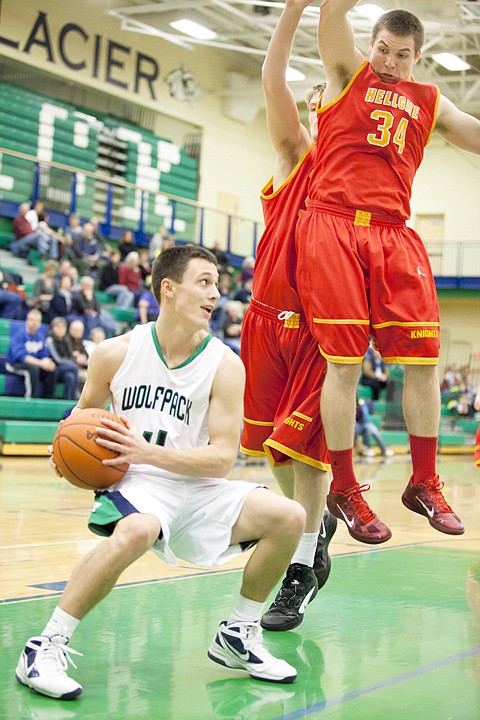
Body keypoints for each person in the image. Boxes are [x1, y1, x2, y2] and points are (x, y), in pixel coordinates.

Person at [15, 245, 306, 700]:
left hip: (197, 482)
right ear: (168, 289)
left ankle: (237, 633)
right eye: (204, 283)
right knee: (137, 529)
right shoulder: (115, 353)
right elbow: (81, 416)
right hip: (138, 482)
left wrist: (148, 452)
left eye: (218, 285)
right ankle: (44, 646)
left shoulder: (225, 365)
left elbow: (223, 457)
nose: (216, 295)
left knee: (289, 516)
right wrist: (62, 448)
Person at [294, 1, 478, 542]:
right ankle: (345, 487)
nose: (390, 62)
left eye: (402, 55)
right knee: (345, 364)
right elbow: (330, 18)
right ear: (368, 44)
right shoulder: (347, 74)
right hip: (333, 225)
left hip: (394, 233)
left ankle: (423, 481)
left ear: (418, 58)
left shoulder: (430, 100)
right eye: (382, 49)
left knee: (424, 360)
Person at [240, 0, 336, 634]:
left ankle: (302, 564)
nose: (321, 106)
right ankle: (312, 520)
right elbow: (273, 80)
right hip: (264, 322)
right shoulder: (295, 153)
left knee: (306, 453)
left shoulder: (363, 185)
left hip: (320, 327)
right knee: (272, 449)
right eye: (318, 98)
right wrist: (295, 11)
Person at [5, 308, 57, 398]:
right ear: (27, 321)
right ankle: (31, 398)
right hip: (14, 364)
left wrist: (47, 362)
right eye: (32, 320)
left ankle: (48, 399)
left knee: (51, 370)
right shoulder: (19, 334)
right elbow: (21, 357)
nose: (34, 323)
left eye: (37, 321)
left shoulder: (40, 336)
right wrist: (41, 363)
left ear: (40, 323)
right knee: (33, 369)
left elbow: (44, 354)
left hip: (34, 363)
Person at [45, 317, 79, 400]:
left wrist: (71, 362)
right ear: (52, 328)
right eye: (57, 327)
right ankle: (77, 393)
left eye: (62, 327)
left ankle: (68, 400)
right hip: (54, 368)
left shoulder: (66, 340)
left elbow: (70, 357)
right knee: (74, 367)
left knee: (70, 377)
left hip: (65, 368)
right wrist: (71, 363)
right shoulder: (50, 340)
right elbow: (57, 359)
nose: (60, 329)